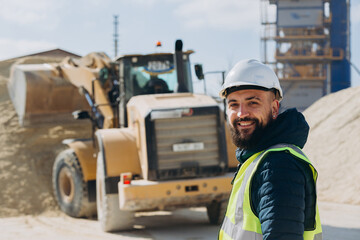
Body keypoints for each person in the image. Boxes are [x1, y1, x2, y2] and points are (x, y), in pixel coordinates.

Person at [218, 59, 322, 240]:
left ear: (274, 108)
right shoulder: (257, 159)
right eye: (234, 104)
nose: (242, 113)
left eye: (253, 103)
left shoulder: (277, 166)